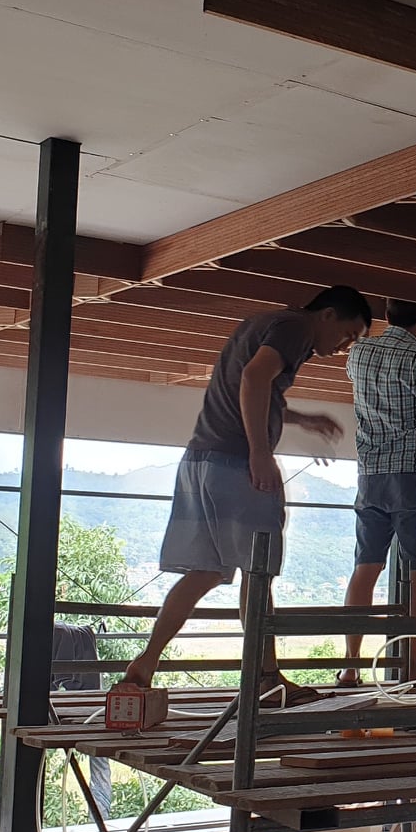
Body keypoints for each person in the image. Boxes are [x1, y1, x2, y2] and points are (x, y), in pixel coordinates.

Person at [118, 286, 373, 705]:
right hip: (236, 463)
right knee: (258, 573)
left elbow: (249, 385)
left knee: (205, 571)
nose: (345, 346)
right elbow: (255, 378)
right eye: (348, 334)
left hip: (201, 460)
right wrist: (259, 453)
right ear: (327, 315)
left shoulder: (263, 321)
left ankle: (145, 662)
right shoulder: (296, 327)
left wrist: (299, 418)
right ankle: (265, 679)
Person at [337, 299, 416, 687]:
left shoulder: (359, 352)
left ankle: (350, 666)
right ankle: (413, 662)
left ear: (387, 316)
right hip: (413, 473)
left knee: (365, 566)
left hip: (370, 474)